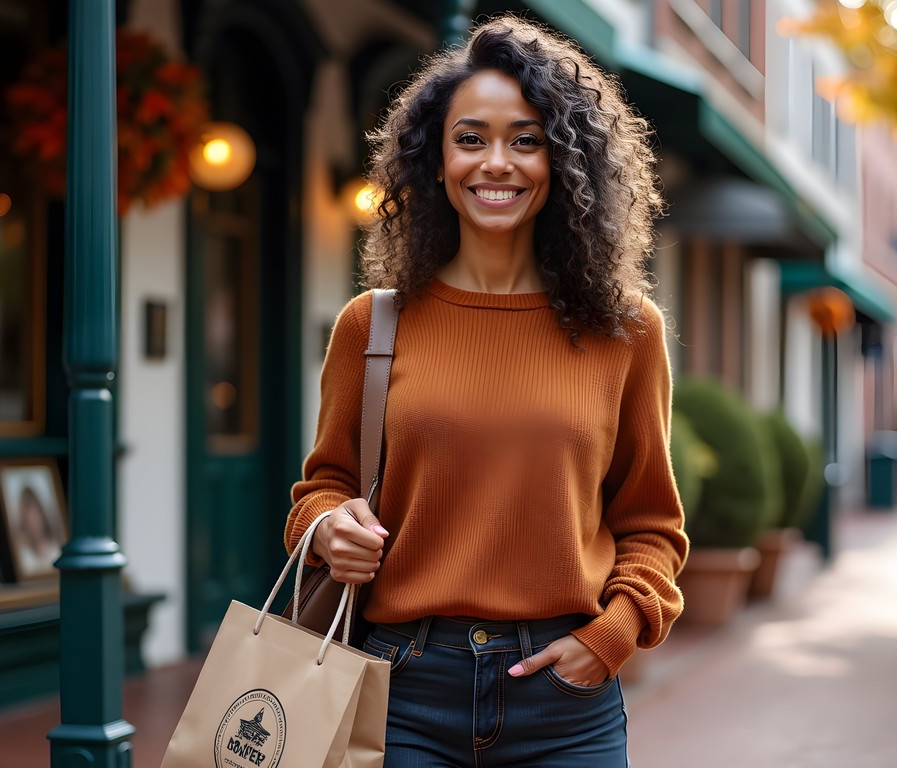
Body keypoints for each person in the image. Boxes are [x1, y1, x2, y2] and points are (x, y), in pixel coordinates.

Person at [285, 15, 689, 766]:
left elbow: (653, 527)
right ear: (435, 161)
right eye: (470, 139)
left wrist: (613, 634)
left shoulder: (626, 331)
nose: (495, 162)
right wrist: (327, 526)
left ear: (564, 162)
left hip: (566, 701)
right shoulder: (371, 326)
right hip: (400, 688)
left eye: (525, 140)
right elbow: (324, 486)